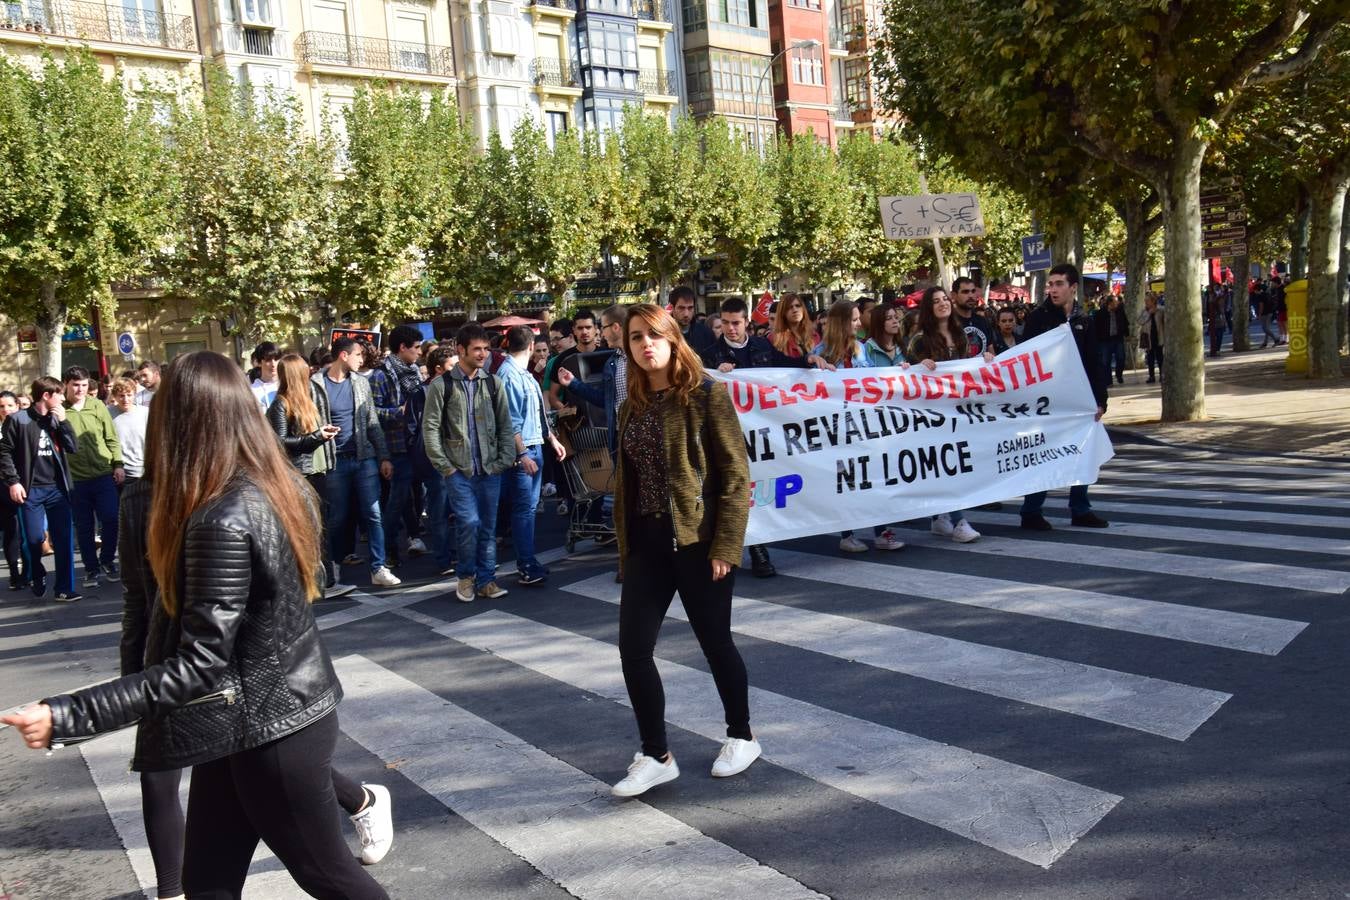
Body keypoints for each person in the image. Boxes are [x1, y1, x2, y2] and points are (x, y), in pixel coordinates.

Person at [1, 352, 391, 899]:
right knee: (207, 883)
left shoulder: (221, 518)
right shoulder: (268, 488)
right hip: (255, 716)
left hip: (268, 727)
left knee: (330, 877)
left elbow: (199, 663)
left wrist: (69, 714)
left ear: (179, 422)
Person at [610, 303, 759, 799]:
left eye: (654, 335)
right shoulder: (630, 404)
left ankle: (742, 736)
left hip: (699, 543)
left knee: (716, 644)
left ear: (674, 338)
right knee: (633, 649)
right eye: (635, 338)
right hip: (647, 545)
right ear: (627, 346)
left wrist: (726, 544)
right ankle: (656, 755)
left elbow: (736, 477)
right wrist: (625, 548)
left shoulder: (705, 395)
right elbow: (627, 485)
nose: (645, 344)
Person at [423, 323, 517, 603]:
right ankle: (466, 576)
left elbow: (505, 423)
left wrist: (504, 460)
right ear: (461, 350)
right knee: (469, 522)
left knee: (488, 527)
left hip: (490, 469)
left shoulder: (493, 383)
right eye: (477, 348)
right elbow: (430, 429)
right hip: (458, 471)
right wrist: (445, 467)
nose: (483, 354)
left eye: (487, 349)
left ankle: (487, 580)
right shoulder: (442, 385)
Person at [1019, 263, 1109, 530]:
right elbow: (1026, 358)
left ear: (1072, 288)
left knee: (1083, 451)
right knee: (1043, 453)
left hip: (1079, 398)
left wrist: (1100, 398)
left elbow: (1095, 361)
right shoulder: (1039, 318)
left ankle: (1080, 508)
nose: (1053, 289)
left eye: (1059, 284)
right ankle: (1031, 510)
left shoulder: (1084, 319)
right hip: (1048, 398)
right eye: (1051, 284)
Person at [266, 353, 356, 599]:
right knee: (308, 528)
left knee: (320, 527)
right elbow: (280, 441)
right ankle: (315, 583)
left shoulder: (308, 396)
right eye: (305, 370)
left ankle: (324, 582)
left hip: (318, 470)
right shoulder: (281, 404)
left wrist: (321, 433)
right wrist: (316, 438)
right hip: (299, 474)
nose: (309, 373)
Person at [314, 337, 400, 587]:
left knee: (373, 514)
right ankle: (334, 565)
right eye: (358, 355)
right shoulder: (316, 384)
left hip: (364, 458)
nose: (362, 360)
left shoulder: (361, 383)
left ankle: (379, 567)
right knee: (337, 518)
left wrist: (383, 456)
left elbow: (372, 421)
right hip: (334, 461)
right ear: (343, 355)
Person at [904, 287, 986, 544]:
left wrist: (985, 360)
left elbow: (967, 368)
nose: (943, 304)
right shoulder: (920, 340)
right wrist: (919, 367)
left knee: (952, 466)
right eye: (936, 301)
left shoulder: (960, 336)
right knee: (950, 465)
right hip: (932, 415)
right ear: (929, 308)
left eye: (945, 300)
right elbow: (906, 376)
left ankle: (940, 517)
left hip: (957, 410)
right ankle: (959, 521)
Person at [497, 326, 567, 585]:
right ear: (530, 347)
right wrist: (523, 453)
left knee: (527, 508)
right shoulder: (509, 375)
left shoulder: (522, 374)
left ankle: (529, 559)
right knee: (523, 509)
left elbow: (537, 413)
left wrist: (552, 439)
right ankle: (525, 563)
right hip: (524, 449)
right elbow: (510, 421)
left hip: (535, 444)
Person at [368, 325, 428, 569]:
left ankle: (416, 538)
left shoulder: (413, 371)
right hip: (397, 448)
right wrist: (399, 412)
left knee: (418, 497)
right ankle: (388, 549)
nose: (419, 353)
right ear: (402, 348)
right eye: (415, 348)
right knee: (396, 502)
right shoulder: (380, 375)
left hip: (419, 444)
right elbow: (372, 413)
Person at [63, 366, 124, 589]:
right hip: (76, 480)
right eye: (75, 385)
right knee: (84, 526)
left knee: (110, 519)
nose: (80, 389)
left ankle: (107, 559)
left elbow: (112, 438)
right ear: (66, 385)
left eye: (84, 385)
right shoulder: (60, 410)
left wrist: (118, 464)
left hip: (103, 474)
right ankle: (91, 568)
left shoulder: (97, 405)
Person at [408, 346, 458, 577]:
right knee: (439, 510)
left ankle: (458, 553)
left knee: (459, 508)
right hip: (435, 459)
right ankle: (444, 558)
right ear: (438, 369)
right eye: (452, 366)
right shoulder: (421, 393)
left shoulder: (458, 387)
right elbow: (413, 428)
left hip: (459, 457)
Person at [0, 391, 23, 590]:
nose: (6, 410)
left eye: (9, 405)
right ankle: (15, 573)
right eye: (1, 406)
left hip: (27, 483)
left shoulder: (25, 424)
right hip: (4, 486)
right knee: (12, 529)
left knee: (30, 531)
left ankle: (30, 570)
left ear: (17, 406)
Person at [108, 378, 149, 489]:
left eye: (129, 395)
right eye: (121, 396)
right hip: (121, 472)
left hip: (145, 470)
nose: (126, 399)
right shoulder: (108, 413)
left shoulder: (145, 412)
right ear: (115, 396)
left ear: (134, 394)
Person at [951, 277, 996, 357]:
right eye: (965, 292)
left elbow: (991, 351)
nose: (971, 295)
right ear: (954, 295)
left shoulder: (983, 322)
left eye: (973, 291)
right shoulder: (948, 323)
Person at [1093, 295, 1130, 385]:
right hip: (1105, 340)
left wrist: (1127, 334)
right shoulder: (1100, 313)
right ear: (1110, 303)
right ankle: (1108, 380)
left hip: (1118, 338)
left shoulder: (1120, 312)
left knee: (1121, 358)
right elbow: (1096, 327)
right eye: (1115, 302)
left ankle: (1119, 374)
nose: (1117, 304)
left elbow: (1125, 323)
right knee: (1106, 361)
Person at [669, 285, 716, 353]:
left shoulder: (706, 333)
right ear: (672, 307)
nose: (686, 314)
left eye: (690, 308)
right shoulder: (663, 333)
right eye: (681, 308)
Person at [770, 292, 814, 360]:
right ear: (783, 313)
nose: (795, 310)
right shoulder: (774, 338)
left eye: (798, 306)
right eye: (789, 307)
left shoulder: (814, 335)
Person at [1137, 293, 1166, 383]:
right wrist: (1148, 314)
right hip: (1148, 337)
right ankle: (1151, 376)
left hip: (1158, 336)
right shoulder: (1144, 311)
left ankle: (1162, 374)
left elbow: (1165, 322)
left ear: (1153, 301)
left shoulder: (1161, 310)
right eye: (1145, 301)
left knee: (1160, 357)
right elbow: (1140, 321)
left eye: (1147, 301)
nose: (1146, 302)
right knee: (1150, 358)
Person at [249, 342, 283, 412]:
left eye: (276, 359)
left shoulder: (287, 385)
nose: (273, 364)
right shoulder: (252, 391)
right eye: (268, 360)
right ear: (259, 363)